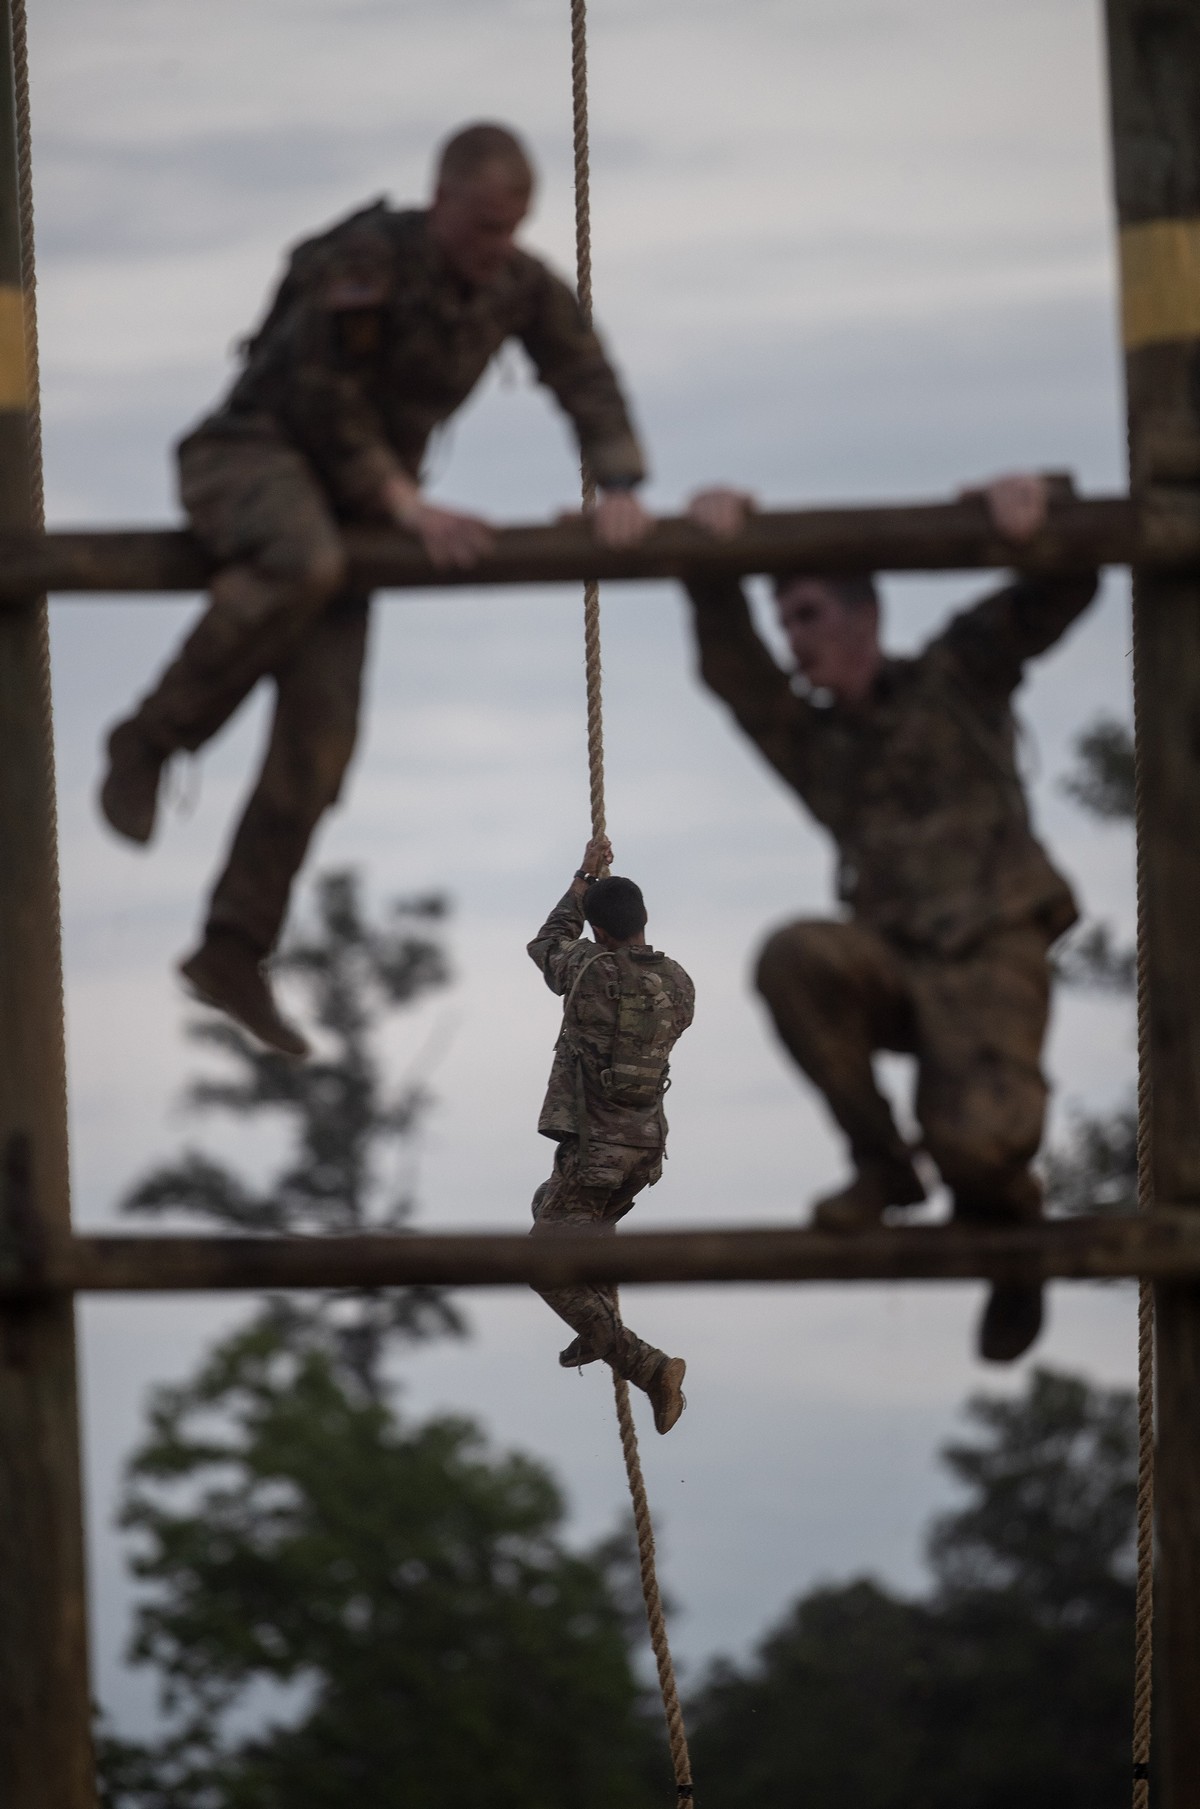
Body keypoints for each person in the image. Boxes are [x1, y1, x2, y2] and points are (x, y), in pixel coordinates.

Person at [99, 122, 651, 1058]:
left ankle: (233, 947)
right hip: (257, 458)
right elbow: (320, 396)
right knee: (303, 561)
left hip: (360, 514)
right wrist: (406, 501)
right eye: (482, 225)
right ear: (440, 202)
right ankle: (152, 735)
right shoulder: (368, 260)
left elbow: (578, 364)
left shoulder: (512, 281)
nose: (495, 247)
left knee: (322, 741)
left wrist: (624, 484)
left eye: (512, 226)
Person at [684, 474, 1098, 1362]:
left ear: (863, 616)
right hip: (895, 963)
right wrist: (707, 561)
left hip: (991, 950)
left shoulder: (956, 675)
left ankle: (1011, 1234)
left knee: (981, 1150)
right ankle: (881, 1161)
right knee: (793, 955)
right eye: (785, 622)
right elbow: (733, 672)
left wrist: (1032, 512)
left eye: (807, 616)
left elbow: (1065, 585)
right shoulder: (818, 746)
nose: (794, 643)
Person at [527, 834, 695, 1434]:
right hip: (643, 1152)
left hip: (595, 1150)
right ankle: (595, 1326)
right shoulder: (679, 983)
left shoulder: (590, 968)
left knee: (541, 1260)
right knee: (551, 1207)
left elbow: (547, 944)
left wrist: (581, 880)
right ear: (643, 921)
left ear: (598, 931)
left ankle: (647, 1367)